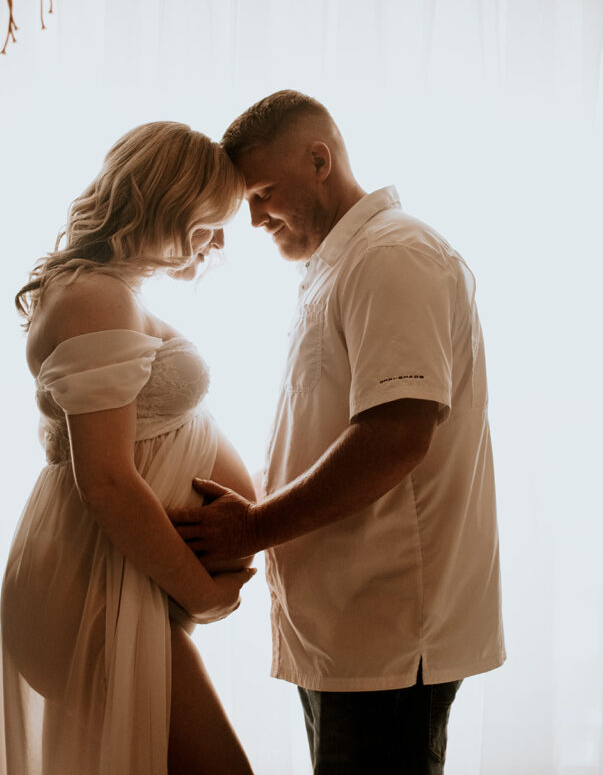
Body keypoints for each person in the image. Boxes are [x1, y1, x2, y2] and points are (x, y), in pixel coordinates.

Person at [171, 91, 506, 774]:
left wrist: (253, 528)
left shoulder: (394, 256)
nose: (254, 217)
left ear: (319, 159)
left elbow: (395, 436)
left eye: (263, 193)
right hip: (347, 628)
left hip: (388, 629)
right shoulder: (339, 265)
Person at [0, 121, 258, 775]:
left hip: (115, 583)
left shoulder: (110, 291)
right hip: (90, 586)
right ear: (169, 202)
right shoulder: (95, 297)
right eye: (213, 219)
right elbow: (108, 482)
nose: (223, 239)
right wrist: (201, 591)